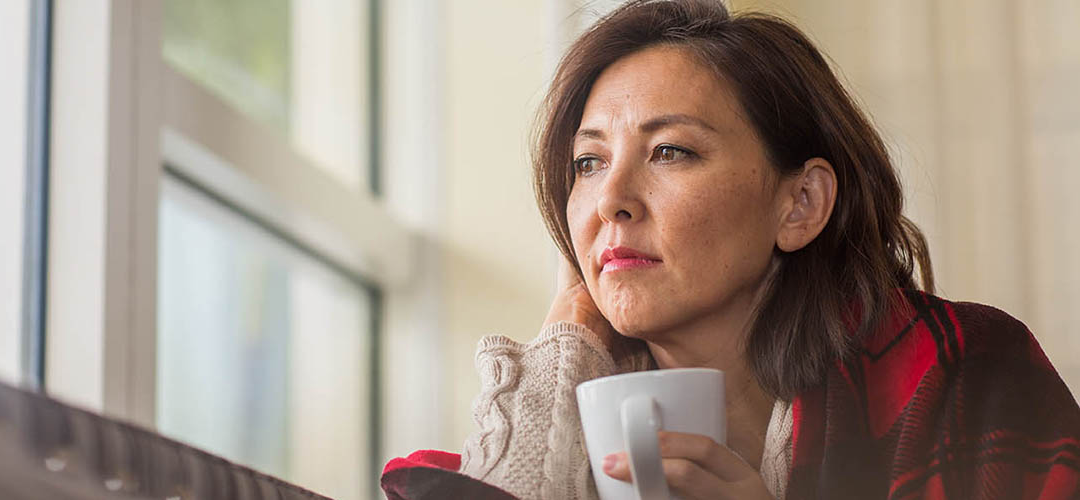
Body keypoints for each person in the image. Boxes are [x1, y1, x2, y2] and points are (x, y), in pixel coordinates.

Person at [381, 1, 1080, 499]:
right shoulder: (556, 408)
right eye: (588, 164)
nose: (610, 198)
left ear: (799, 204)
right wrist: (566, 344)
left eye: (670, 151)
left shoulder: (970, 377)